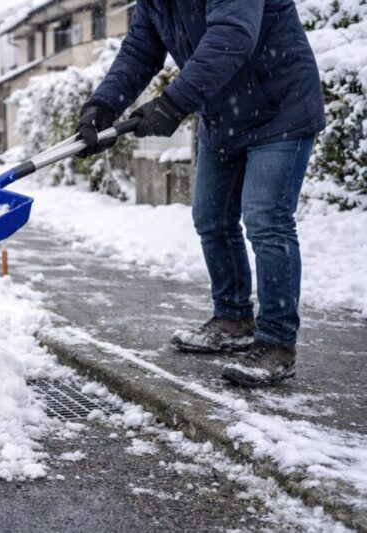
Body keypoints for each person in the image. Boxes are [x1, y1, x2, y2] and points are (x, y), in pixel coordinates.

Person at [75, 0, 324, 387]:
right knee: (211, 218)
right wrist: (103, 105)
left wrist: (174, 104)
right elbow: (140, 50)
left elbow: (233, 35)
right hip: (223, 116)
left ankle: (276, 343)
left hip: (282, 106)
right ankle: (233, 319)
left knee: (266, 220)